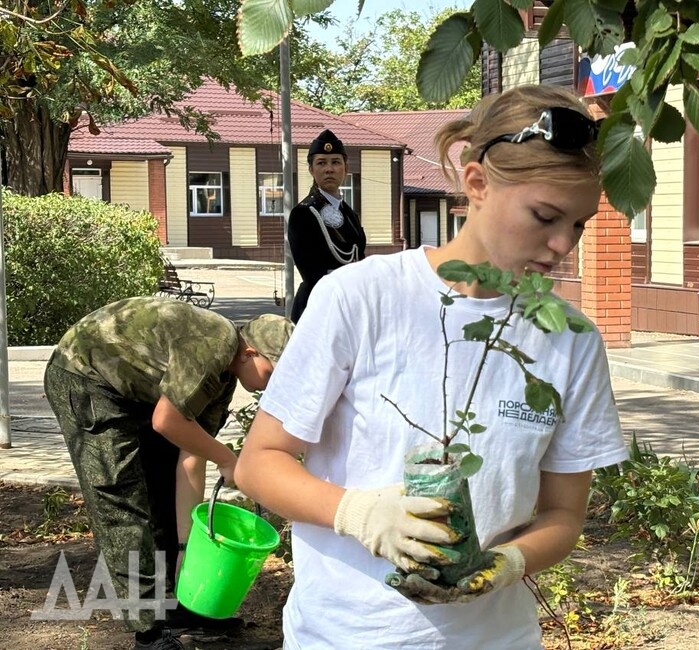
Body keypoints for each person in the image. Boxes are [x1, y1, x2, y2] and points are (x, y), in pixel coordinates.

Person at [235, 84, 628, 649]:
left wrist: (508, 562)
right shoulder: (359, 298)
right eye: (545, 216)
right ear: (477, 183)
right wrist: (361, 513)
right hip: (349, 634)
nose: (563, 244)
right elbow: (259, 463)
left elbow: (564, 515)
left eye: (580, 223)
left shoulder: (569, 339)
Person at [43, 297, 294, 650]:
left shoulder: (223, 384)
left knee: (159, 490)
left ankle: (178, 603)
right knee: (124, 502)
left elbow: (190, 457)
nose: (272, 385)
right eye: (273, 372)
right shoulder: (217, 341)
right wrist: (228, 458)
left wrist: (185, 549)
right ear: (249, 353)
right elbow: (167, 420)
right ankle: (148, 632)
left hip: (131, 392)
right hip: (85, 375)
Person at [287, 128, 367, 323]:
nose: (329, 169)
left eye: (335, 162)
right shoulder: (304, 213)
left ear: (345, 168)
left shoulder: (350, 214)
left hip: (349, 306)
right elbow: (311, 273)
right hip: (318, 309)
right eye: (321, 163)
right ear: (311, 170)